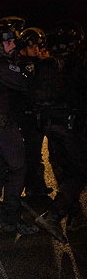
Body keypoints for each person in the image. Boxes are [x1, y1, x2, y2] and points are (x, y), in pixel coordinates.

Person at [0, 24, 38, 234]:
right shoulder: (1, 66)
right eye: (9, 42)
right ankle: (11, 218)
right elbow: (27, 84)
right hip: (2, 127)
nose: (13, 45)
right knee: (18, 169)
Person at [32, 22, 87, 242]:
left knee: (67, 169)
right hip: (71, 127)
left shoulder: (44, 66)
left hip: (50, 126)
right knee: (81, 171)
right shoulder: (75, 65)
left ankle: (74, 217)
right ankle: (54, 215)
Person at [15, 27, 52, 199]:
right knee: (32, 154)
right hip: (27, 116)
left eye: (39, 46)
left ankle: (35, 184)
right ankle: (29, 186)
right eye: (33, 46)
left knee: (35, 154)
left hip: (34, 115)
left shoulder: (34, 62)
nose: (37, 50)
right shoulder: (22, 65)